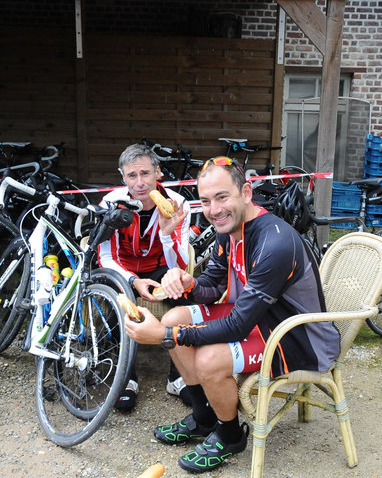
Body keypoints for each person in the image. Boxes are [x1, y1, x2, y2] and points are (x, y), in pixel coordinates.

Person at [124, 156, 340, 473]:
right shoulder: (229, 228)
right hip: (260, 319)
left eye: (222, 197)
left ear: (247, 194)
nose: (214, 209)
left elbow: (237, 325)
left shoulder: (273, 243)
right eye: (206, 201)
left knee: (205, 356)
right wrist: (189, 282)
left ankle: (229, 435)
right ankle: (204, 418)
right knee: (173, 317)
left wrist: (165, 337)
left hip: (297, 337)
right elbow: (212, 286)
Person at [97, 142, 192, 411]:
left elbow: (182, 264)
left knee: (184, 294)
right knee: (116, 298)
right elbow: (106, 257)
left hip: (161, 267)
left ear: (158, 173)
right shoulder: (111, 203)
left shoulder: (179, 204)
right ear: (122, 177)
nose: (139, 183)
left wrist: (166, 234)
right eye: (131, 176)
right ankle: (125, 378)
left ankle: (178, 376)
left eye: (145, 174)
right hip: (123, 268)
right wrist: (132, 281)